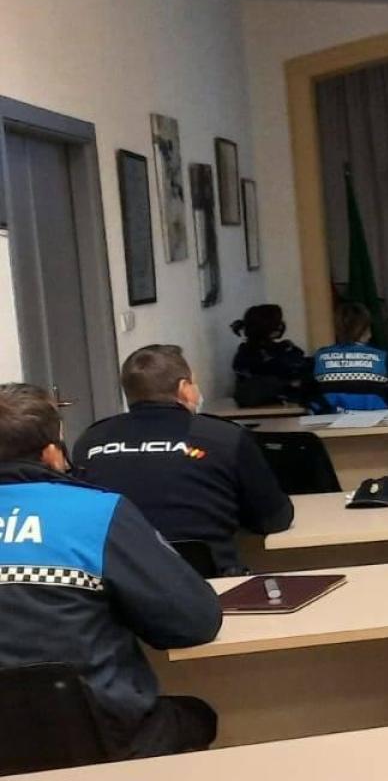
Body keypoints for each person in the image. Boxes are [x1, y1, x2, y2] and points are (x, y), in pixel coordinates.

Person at [0, 383, 224, 759]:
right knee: (196, 715)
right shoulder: (97, 514)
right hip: (105, 736)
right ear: (52, 454)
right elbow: (194, 622)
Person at [75, 346, 294, 575]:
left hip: (119, 587)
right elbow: (274, 518)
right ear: (184, 389)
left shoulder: (90, 440)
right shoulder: (225, 437)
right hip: (210, 582)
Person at [306, 302, 388, 411]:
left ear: (337, 329)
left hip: (329, 428)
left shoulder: (320, 357)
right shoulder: (380, 357)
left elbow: (306, 393)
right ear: (366, 330)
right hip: (379, 428)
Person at [229, 303, 306, 408]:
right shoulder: (247, 356)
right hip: (265, 407)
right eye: (275, 323)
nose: (280, 326)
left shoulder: (285, 348)